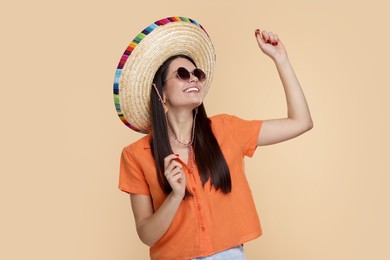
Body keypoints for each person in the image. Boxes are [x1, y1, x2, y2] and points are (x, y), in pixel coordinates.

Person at [114, 17, 313, 260]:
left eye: (197, 73)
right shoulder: (136, 155)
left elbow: (301, 122)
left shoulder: (226, 129)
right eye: (183, 74)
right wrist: (175, 196)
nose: (194, 79)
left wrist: (280, 59)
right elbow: (147, 234)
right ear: (160, 90)